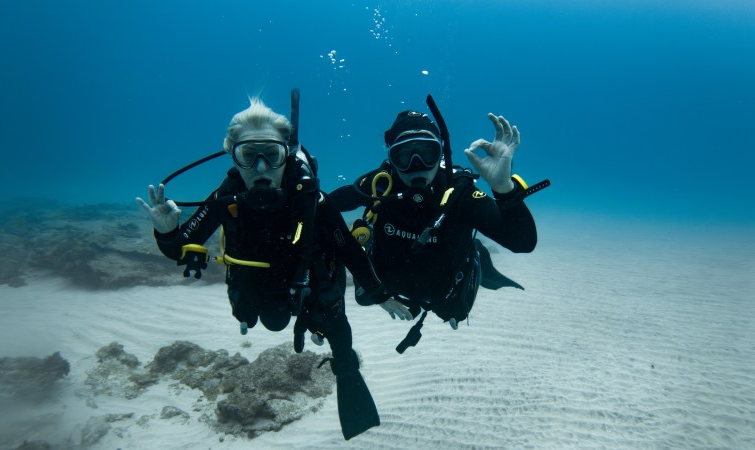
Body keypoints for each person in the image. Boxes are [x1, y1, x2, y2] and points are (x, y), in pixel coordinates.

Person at [136, 96, 387, 440]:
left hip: (312, 285)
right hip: (258, 287)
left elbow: (349, 252)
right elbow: (180, 248)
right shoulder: (225, 197)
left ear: (287, 153)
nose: (261, 168)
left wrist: (379, 292)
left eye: (271, 154)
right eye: (247, 156)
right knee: (272, 322)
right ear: (232, 155)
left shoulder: (312, 197)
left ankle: (346, 373)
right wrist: (166, 233)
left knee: (338, 333)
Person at [329, 96, 544, 353]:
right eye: (404, 155)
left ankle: (478, 256)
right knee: (364, 296)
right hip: (389, 280)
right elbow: (322, 208)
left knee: (456, 309)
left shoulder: (458, 191)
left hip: (444, 288)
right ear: (392, 158)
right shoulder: (380, 185)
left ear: (441, 153)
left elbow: (522, 242)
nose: (416, 165)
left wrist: (503, 188)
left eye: (427, 153)